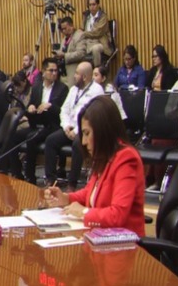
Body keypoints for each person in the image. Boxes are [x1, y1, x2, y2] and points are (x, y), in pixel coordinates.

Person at [42, 98, 145, 238]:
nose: (83, 142)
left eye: (87, 133)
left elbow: (118, 215)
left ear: (103, 130)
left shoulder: (126, 158)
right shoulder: (105, 156)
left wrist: (84, 212)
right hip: (103, 240)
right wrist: (65, 198)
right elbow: (90, 194)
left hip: (125, 247)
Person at [44, 61, 99, 188]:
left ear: (84, 77)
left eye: (77, 74)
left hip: (85, 130)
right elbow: (64, 110)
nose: (74, 76)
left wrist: (77, 130)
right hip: (69, 128)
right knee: (50, 140)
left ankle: (72, 183)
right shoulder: (74, 89)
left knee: (77, 144)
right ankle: (51, 180)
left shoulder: (96, 91)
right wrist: (66, 126)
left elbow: (92, 117)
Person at [21, 58, 68, 182]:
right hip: (36, 122)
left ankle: (31, 177)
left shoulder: (62, 88)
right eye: (51, 70)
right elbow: (31, 105)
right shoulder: (36, 87)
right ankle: (17, 173)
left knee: (31, 138)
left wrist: (50, 106)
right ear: (43, 71)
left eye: (56, 71)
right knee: (15, 135)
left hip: (53, 125)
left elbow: (64, 112)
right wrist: (30, 107)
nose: (54, 73)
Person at [64, 0, 112, 68]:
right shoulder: (86, 16)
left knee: (95, 48)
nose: (92, 7)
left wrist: (83, 34)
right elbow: (82, 29)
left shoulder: (103, 17)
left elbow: (97, 33)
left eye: (94, 4)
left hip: (99, 42)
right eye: (90, 5)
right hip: (87, 41)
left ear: (98, 5)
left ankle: (97, 71)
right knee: (75, 47)